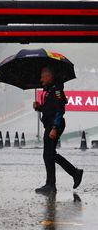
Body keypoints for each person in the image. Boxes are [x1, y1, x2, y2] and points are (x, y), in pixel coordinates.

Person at [33, 66, 83, 195]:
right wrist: (39, 107)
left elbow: (60, 110)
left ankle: (52, 184)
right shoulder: (49, 90)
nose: (40, 79)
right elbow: (49, 110)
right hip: (50, 125)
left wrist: (55, 128)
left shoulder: (57, 91)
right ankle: (68, 175)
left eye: (42, 76)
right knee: (48, 155)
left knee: (49, 154)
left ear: (49, 76)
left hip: (55, 125)